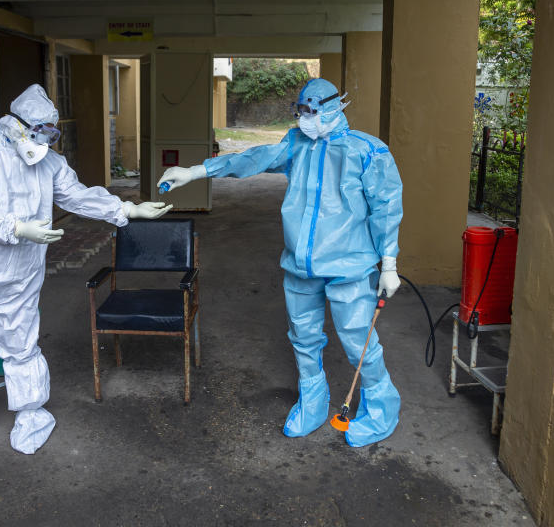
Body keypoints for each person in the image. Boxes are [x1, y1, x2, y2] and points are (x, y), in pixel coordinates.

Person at [158, 78, 403, 447]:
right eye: (300, 110)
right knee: (303, 338)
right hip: (300, 265)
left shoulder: (368, 151)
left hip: (348, 267)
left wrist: (389, 263)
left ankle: (382, 410)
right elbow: (254, 157)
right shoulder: (296, 144)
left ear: (335, 107)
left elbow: (386, 207)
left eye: (311, 111)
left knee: (359, 343)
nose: (305, 118)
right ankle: (313, 402)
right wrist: (195, 172)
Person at [0, 83, 172, 459]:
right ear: (16, 125)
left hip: (21, 271)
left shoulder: (47, 161)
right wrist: (15, 227)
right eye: (41, 130)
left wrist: (126, 210)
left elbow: (78, 195)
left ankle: (30, 412)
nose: (46, 139)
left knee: (21, 340)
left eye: (51, 131)